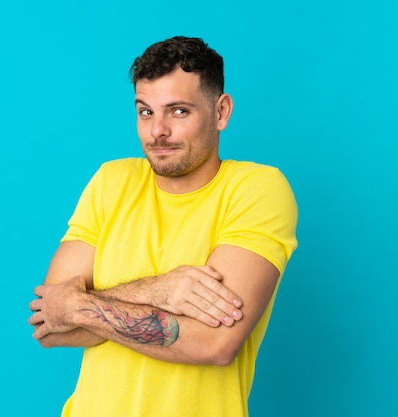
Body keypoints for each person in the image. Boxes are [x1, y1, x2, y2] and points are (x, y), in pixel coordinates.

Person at [28, 36, 298, 417]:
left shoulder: (257, 190)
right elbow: (50, 322)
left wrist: (80, 306)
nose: (157, 132)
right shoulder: (112, 181)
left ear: (221, 112)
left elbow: (214, 344)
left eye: (179, 112)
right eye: (145, 112)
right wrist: (160, 292)